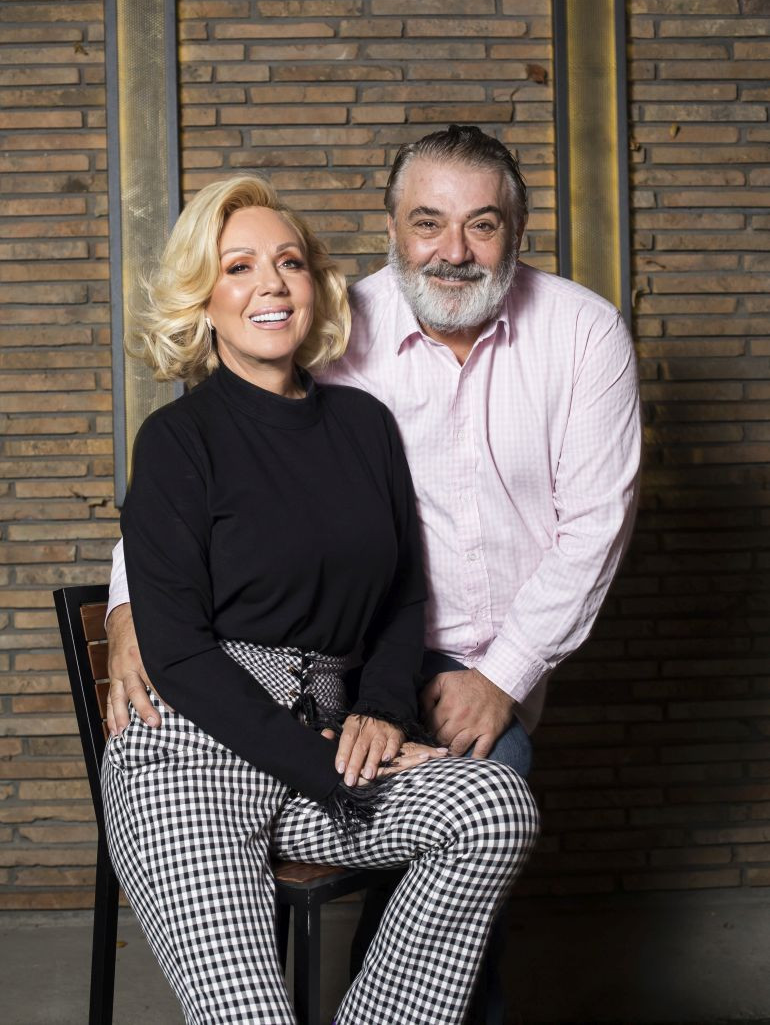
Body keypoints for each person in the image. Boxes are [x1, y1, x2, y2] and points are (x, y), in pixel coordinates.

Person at [100, 171, 539, 1025]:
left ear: (315, 285)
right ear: (203, 299)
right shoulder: (177, 440)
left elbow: (403, 597)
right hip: (191, 759)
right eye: (238, 267)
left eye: (289, 262)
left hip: (329, 749)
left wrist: (381, 713)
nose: (270, 284)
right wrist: (329, 769)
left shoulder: (364, 425)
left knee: (494, 804)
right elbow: (179, 655)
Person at [107, 125, 640, 773]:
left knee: (486, 785)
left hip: (494, 658)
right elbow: (202, 465)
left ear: (518, 231)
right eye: (427, 223)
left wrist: (502, 677)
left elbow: (594, 528)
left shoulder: (584, 332)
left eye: (482, 225)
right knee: (441, 784)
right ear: (391, 229)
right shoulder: (331, 327)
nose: (454, 251)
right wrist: (129, 606)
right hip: (347, 652)